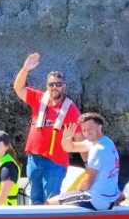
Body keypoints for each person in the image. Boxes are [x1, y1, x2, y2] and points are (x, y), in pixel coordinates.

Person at [13, 52, 84, 205]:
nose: (54, 87)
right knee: (35, 199)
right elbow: (18, 88)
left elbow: (80, 140)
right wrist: (25, 69)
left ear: (63, 86)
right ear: (47, 86)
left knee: (50, 202)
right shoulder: (38, 98)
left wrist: (89, 164)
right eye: (51, 84)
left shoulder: (71, 110)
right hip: (33, 159)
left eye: (58, 84)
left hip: (55, 163)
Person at [47, 113, 120, 210]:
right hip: (109, 199)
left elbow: (87, 182)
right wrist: (67, 138)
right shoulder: (107, 142)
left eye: (90, 129)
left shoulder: (98, 149)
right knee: (67, 196)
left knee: (48, 203)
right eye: (84, 130)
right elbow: (69, 147)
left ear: (100, 127)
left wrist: (75, 191)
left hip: (96, 200)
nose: (86, 133)